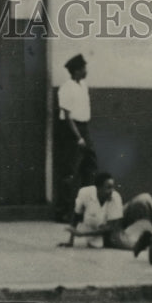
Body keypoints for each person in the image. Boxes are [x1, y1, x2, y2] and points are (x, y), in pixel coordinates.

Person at [57, 172, 152, 260]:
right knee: (135, 245)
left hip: (114, 225)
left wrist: (82, 234)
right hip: (107, 236)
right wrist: (70, 240)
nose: (112, 190)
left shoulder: (115, 196)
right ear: (98, 188)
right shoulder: (84, 193)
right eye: (108, 187)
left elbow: (113, 226)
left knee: (145, 199)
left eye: (113, 187)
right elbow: (76, 216)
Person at [56, 53, 96, 219]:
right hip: (72, 131)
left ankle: (85, 210)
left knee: (89, 168)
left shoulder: (83, 85)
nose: (86, 71)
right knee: (70, 172)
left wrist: (84, 135)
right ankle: (63, 212)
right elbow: (67, 116)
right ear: (77, 71)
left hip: (84, 127)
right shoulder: (67, 88)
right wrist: (78, 137)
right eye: (83, 68)